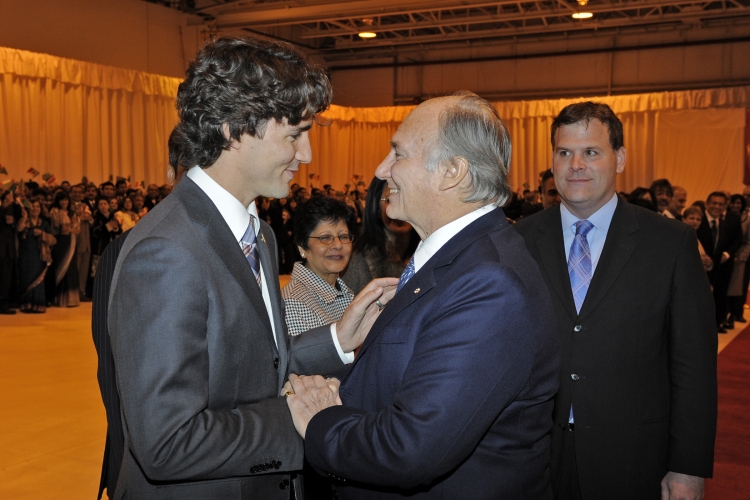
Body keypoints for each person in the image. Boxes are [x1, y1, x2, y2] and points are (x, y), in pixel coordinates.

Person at [106, 36, 396, 499]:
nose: (307, 155)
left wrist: (339, 339)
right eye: (295, 134)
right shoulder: (166, 252)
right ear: (232, 128)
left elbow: (255, 367)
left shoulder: (255, 232)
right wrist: (296, 418)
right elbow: (165, 442)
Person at [286, 92, 560, 499]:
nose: (381, 169)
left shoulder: (489, 283)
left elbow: (410, 447)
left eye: (397, 153)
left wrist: (322, 419)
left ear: (451, 171)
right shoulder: (458, 260)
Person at [514, 101, 717, 500]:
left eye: (591, 151)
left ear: (620, 158)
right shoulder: (518, 241)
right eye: (564, 152)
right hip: (533, 459)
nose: (576, 165)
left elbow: (693, 366)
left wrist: (688, 468)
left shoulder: (670, 244)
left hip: (632, 460)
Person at [282, 196, 356, 336]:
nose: (338, 245)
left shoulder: (345, 293)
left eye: (344, 236)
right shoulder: (293, 304)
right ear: (302, 248)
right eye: (325, 238)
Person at [342, 177, 420, 294]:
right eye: (390, 200)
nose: (400, 209)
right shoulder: (358, 261)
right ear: (376, 208)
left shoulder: (428, 253)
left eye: (407, 199)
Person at [696, 191, 742, 332]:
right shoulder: (698, 221)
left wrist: (726, 255)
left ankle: (714, 325)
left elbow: (733, 242)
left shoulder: (723, 224)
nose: (717, 206)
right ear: (707, 204)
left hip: (718, 269)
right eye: (714, 203)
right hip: (698, 269)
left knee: (716, 298)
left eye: (721, 204)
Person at [16, 200, 56, 313]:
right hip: (25, 254)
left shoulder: (44, 223)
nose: (35, 209)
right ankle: (26, 304)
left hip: (39, 255)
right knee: (26, 277)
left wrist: (42, 234)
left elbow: (53, 240)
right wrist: (24, 217)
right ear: (29, 208)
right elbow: (19, 229)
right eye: (33, 206)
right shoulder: (25, 221)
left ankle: (38, 304)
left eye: (38, 206)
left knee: (38, 279)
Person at [48, 191, 81, 307]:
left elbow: (77, 230)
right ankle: (58, 299)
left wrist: (70, 229)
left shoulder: (72, 213)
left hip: (71, 242)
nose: (64, 202)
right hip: (59, 242)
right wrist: (69, 228)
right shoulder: (54, 212)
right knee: (60, 266)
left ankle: (71, 299)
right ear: (58, 201)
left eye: (66, 200)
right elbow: (58, 229)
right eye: (62, 200)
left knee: (71, 268)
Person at [726, 194, 750, 324]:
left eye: (739, 203)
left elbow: (748, 241)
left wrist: (741, 256)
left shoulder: (747, 219)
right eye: (733, 203)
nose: (736, 205)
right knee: (727, 288)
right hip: (727, 257)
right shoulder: (725, 217)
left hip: (741, 260)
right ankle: (725, 314)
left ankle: (736, 313)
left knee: (739, 288)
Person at [0, 190, 17, 314]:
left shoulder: (13, 209)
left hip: (9, 249)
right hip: (2, 248)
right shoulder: (2, 210)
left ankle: (4, 303)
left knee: (6, 278)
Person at [682, 206, 714, 272]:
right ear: (683, 219)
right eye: (692, 218)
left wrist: (708, 262)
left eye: (698, 219)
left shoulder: (697, 238)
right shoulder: (679, 236)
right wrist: (697, 260)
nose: (695, 222)